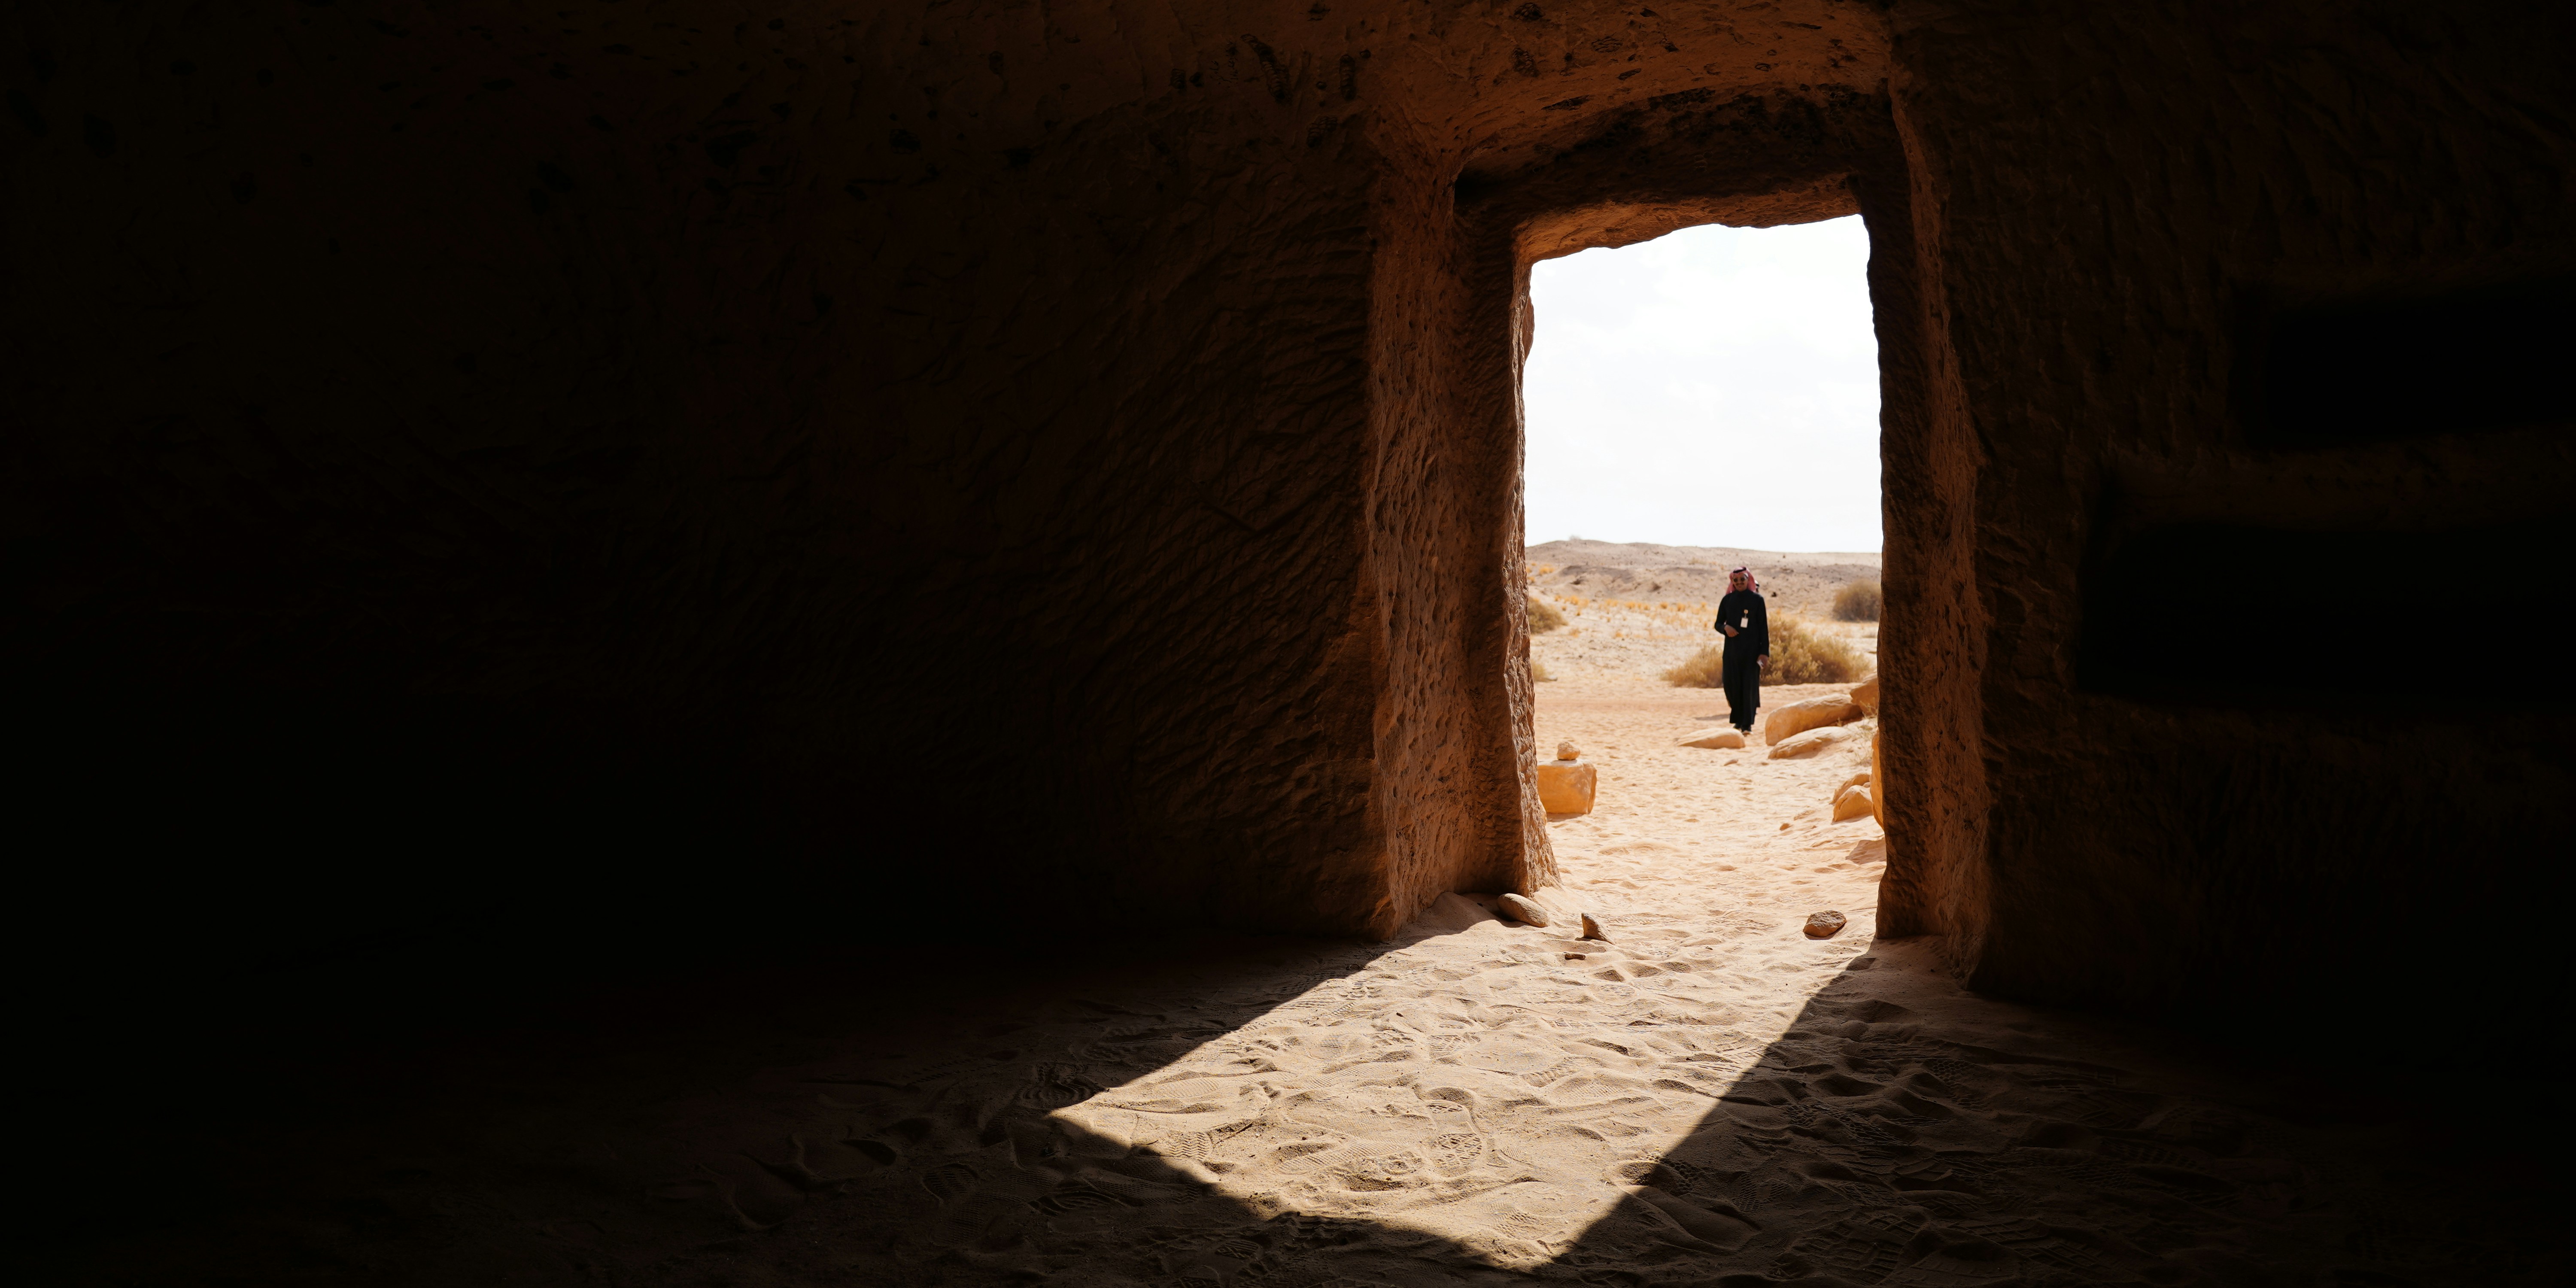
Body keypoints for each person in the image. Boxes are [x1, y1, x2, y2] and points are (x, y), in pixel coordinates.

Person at [1713, 566, 1770, 733]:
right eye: (1735, 580)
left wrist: (1764, 653)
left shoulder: (1757, 600)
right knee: (1732, 685)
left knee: (1749, 686)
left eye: (1742, 580)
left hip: (1752, 652)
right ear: (1732, 582)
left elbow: (1763, 628)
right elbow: (1717, 624)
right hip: (1732, 651)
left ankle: (1747, 724)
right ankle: (1737, 720)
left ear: (1748, 580)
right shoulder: (1727, 601)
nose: (1739, 583)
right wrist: (1726, 628)